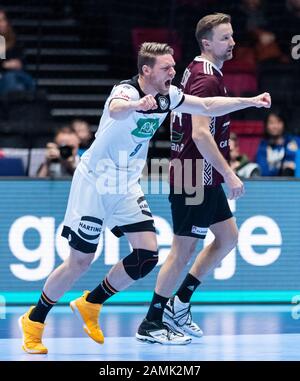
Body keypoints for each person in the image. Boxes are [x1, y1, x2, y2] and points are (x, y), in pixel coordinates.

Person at [19, 41, 271, 353]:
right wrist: (136, 106)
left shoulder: (170, 96)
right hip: (96, 183)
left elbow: (206, 107)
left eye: (173, 66)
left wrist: (251, 101)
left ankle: (91, 303)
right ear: (146, 71)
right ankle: (34, 320)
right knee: (80, 261)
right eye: (167, 68)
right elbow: (116, 108)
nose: (173, 72)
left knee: (147, 256)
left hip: (126, 184)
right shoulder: (126, 92)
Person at [136, 14, 270, 344]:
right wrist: (230, 173)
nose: (233, 42)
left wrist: (249, 102)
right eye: (226, 38)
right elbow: (200, 132)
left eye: (233, 36)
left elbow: (210, 109)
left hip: (199, 175)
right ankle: (153, 320)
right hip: (194, 175)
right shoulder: (206, 78)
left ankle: (180, 303)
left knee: (227, 237)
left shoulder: (202, 71)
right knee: (182, 251)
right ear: (207, 43)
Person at [0, 9, 35, 96]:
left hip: (17, 76)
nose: (1, 24)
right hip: (5, 78)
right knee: (11, 79)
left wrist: (18, 63)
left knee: (22, 81)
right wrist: (4, 65)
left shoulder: (15, 41)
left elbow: (21, 61)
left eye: (3, 20)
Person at [256, 111, 299, 176]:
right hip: (272, 183)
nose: (275, 126)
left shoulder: (295, 141)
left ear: (284, 124)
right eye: (271, 123)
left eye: (279, 122)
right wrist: (280, 169)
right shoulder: (263, 146)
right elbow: (263, 172)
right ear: (266, 125)